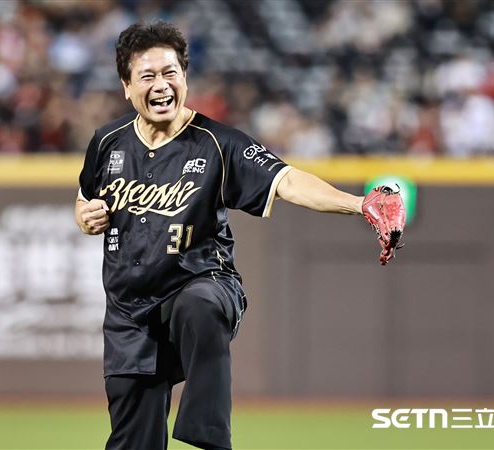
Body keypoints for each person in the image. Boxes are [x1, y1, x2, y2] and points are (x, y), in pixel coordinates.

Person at [75, 21, 403, 450]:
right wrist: (85, 216)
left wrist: (358, 203)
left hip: (201, 284)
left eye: (171, 72)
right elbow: (84, 199)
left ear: (185, 77)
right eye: (148, 75)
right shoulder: (107, 143)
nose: (161, 84)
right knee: (133, 442)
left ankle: (210, 437)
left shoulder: (218, 142)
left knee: (198, 306)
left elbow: (287, 180)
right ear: (126, 86)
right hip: (129, 313)